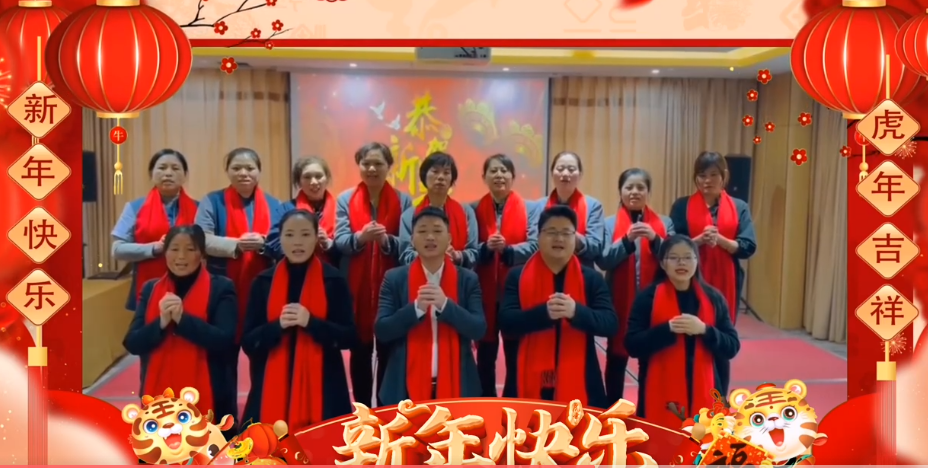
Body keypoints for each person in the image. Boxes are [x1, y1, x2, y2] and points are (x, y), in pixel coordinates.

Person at [241, 210, 357, 429]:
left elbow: (349, 337)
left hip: (325, 389)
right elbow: (248, 342)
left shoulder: (333, 280)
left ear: (316, 238)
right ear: (280, 238)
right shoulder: (263, 282)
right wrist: (278, 326)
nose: (297, 242)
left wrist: (311, 323)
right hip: (270, 387)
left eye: (305, 234)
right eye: (290, 235)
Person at [499, 205, 617, 409]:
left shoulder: (591, 279)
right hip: (526, 379)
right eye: (551, 232)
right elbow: (506, 323)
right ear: (538, 237)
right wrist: (544, 314)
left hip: (582, 380)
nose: (559, 239)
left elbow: (610, 324)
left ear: (575, 239)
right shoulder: (518, 276)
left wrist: (576, 312)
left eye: (566, 233)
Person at [123, 225, 239, 427]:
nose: (181, 256)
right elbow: (133, 342)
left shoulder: (221, 287)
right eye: (174, 249)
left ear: (202, 254)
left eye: (190, 249)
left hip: (211, 396)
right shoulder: (151, 288)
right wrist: (161, 323)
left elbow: (224, 340)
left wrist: (182, 320)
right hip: (159, 401)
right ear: (165, 253)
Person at [623, 235, 740, 429]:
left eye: (687, 257)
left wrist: (704, 330)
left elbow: (732, 346)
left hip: (707, 390)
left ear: (696, 261)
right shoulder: (647, 298)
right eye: (674, 258)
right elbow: (632, 345)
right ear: (663, 263)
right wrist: (667, 329)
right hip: (658, 390)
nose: (681, 263)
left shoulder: (713, 298)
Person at [374, 207, 486, 405]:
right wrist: (416, 309)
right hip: (403, 391)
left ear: (449, 238)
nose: (430, 237)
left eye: (437, 230)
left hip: (459, 388)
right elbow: (382, 330)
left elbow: (479, 329)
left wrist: (446, 306)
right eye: (423, 231)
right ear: (412, 240)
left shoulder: (468, 279)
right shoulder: (394, 278)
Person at [669, 151, 756, 397]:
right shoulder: (682, 206)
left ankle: (718, 400)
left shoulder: (739, 207)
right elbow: (671, 243)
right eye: (702, 175)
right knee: (687, 339)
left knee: (719, 341)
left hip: (726, 284)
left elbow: (748, 246)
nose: (707, 180)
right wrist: (696, 241)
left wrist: (722, 241)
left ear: (724, 176)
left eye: (713, 175)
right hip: (688, 282)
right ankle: (688, 396)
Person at [333, 142, 413, 407]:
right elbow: (339, 241)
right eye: (366, 163)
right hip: (356, 288)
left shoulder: (403, 201)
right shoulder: (345, 199)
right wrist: (361, 238)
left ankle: (387, 408)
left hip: (392, 288)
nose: (371, 169)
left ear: (389, 167)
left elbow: (408, 244)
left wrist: (386, 241)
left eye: (378, 163)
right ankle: (363, 410)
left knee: (389, 350)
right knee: (360, 352)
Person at [596, 168, 674, 403]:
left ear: (649, 192)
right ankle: (613, 409)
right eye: (629, 187)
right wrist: (626, 241)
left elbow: (676, 258)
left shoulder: (665, 223)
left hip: (655, 303)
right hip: (619, 302)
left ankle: (647, 409)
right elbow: (603, 260)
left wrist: (656, 239)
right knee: (616, 360)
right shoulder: (608, 224)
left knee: (650, 360)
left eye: (641, 187)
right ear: (620, 191)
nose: (634, 192)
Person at [195, 148, 284, 339]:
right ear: (227, 171)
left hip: (264, 285)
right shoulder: (212, 200)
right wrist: (236, 245)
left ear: (259, 171)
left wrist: (263, 244)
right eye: (236, 168)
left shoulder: (275, 204)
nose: (243, 173)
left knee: (261, 343)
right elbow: (201, 239)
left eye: (250, 168)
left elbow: (283, 242)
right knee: (224, 344)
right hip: (222, 284)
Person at [471, 154, 537, 398]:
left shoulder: (530, 209)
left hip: (516, 292)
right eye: (493, 171)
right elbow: (468, 247)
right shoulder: (473, 209)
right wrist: (486, 248)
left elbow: (536, 245)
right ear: (484, 177)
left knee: (515, 353)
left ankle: (513, 401)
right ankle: (485, 401)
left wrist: (509, 250)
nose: (499, 175)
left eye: (504, 171)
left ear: (513, 176)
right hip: (484, 292)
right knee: (485, 355)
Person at [112, 149, 198, 311]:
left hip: (191, 285)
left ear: (185, 175)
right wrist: (153, 248)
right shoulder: (134, 207)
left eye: (175, 168)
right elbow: (117, 250)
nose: (168, 173)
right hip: (148, 286)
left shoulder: (199, 208)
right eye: (162, 168)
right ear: (151, 173)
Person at [399, 152, 479, 268]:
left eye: (446, 172)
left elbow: (474, 252)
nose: (441, 177)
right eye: (435, 171)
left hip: (458, 275)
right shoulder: (409, 215)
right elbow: (405, 255)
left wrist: (456, 256)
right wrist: (431, 255)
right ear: (424, 176)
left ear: (452, 179)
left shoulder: (466, 212)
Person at [539, 152, 604, 268]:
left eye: (571, 169)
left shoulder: (593, 206)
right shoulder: (538, 206)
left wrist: (570, 234)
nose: (565, 174)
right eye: (560, 169)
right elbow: (533, 243)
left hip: (581, 271)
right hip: (544, 269)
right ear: (552, 173)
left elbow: (596, 248)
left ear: (580, 175)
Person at [269, 157, 340, 265]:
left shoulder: (340, 209)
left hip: (332, 270)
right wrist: (298, 250)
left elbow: (348, 247)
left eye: (318, 176)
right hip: (294, 269)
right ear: (299, 181)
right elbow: (273, 241)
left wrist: (328, 244)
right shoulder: (285, 209)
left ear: (327, 178)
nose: (313, 182)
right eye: (307, 177)